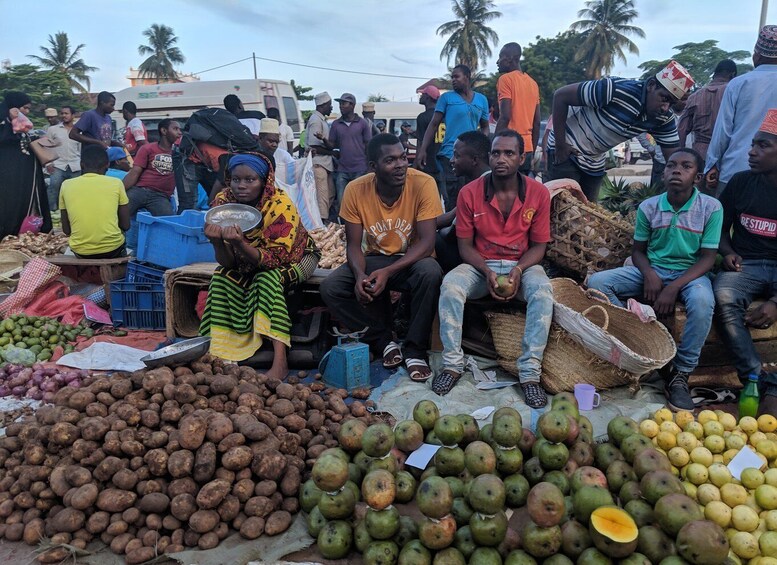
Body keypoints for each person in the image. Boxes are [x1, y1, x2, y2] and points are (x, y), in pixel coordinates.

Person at [588, 148, 722, 411]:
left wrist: (673, 287)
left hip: (690, 274)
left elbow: (707, 258)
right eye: (672, 165)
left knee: (703, 302)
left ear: (697, 177)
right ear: (664, 172)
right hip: (653, 268)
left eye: (686, 166)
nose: (677, 171)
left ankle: (679, 373)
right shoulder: (650, 206)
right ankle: (636, 342)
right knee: (598, 283)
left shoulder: (710, 207)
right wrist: (650, 275)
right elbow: (637, 251)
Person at [434, 130, 553, 404]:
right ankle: (452, 365)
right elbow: (465, 246)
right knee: (451, 286)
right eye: (496, 153)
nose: (502, 159)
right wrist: (487, 272)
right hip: (480, 265)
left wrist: (519, 270)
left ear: (521, 158)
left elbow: (539, 247)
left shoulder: (538, 193)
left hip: (521, 265)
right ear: (489, 156)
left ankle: (530, 374)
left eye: (509, 153)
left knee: (543, 293)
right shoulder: (469, 193)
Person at [320, 133, 443, 382]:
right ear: (374, 167)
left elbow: (428, 241)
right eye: (390, 160)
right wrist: (359, 275)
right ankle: (383, 340)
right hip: (375, 258)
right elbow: (354, 245)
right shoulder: (356, 190)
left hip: (413, 259)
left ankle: (414, 349)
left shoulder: (423, 183)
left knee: (430, 272)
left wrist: (388, 272)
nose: (400, 165)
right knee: (331, 287)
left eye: (402, 157)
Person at [200, 153, 319, 379]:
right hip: (248, 260)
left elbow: (274, 259)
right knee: (221, 276)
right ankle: (221, 350)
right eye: (236, 179)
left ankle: (280, 358)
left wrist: (240, 243)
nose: (241, 186)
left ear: (265, 181)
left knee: (267, 279)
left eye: (250, 180)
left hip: (296, 257)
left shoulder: (280, 206)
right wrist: (217, 241)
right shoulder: (223, 204)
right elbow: (229, 262)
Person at [547, 60, 694, 201]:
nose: (665, 108)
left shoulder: (663, 119)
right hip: (569, 147)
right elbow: (561, 96)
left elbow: (674, 156)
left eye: (671, 103)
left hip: (594, 159)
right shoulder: (614, 89)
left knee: (588, 214)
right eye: (664, 98)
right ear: (651, 85)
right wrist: (560, 145)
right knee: (564, 209)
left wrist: (685, 181)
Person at [713, 109, 777, 417]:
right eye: (753, 144)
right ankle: (755, 376)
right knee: (724, 295)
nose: (752, 151)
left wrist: (776, 302)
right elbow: (720, 229)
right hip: (746, 265)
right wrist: (726, 252)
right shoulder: (740, 182)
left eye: (763, 145)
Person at [705, 26, 777, 195]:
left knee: (727, 220)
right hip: (774, 175)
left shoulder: (738, 83)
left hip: (735, 170)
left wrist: (712, 164)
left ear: (756, 55)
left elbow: (723, 130)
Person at [416, 64, 489, 211]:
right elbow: (433, 124)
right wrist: (422, 149)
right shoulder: (447, 98)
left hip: (473, 158)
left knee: (473, 195)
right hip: (451, 155)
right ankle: (451, 231)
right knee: (453, 197)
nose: (453, 80)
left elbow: (485, 126)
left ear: (467, 77)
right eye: (452, 77)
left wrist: (482, 144)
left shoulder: (481, 100)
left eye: (457, 77)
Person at [59, 145, 130, 259]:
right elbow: (126, 225)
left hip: (81, 251)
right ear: (107, 165)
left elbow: (66, 230)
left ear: (81, 165)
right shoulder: (116, 183)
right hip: (112, 250)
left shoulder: (66, 185)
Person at [436, 131, 491, 273]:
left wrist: (435, 231)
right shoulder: (487, 181)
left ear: (474, 160)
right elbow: (452, 215)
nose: (451, 160)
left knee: (431, 240)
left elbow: (451, 234)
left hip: (478, 257)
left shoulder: (474, 189)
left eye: (457, 155)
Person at [0, 91, 52, 240]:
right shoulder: (4, 122)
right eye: (25, 108)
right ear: (14, 107)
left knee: (23, 199)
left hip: (24, 173)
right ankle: (9, 233)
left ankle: (25, 232)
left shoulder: (21, 124)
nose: (27, 112)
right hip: (9, 174)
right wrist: (11, 119)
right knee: (9, 201)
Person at [495, 42, 541, 174]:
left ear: (509, 58)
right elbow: (536, 122)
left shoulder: (505, 80)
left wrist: (494, 145)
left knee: (504, 191)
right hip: (526, 149)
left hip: (508, 148)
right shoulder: (533, 84)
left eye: (500, 57)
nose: (498, 62)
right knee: (522, 190)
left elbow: (505, 117)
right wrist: (531, 151)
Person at [678, 59, 737, 163]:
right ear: (732, 75)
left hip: (700, 155)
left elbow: (681, 131)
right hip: (728, 155)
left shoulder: (694, 97)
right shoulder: (734, 93)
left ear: (714, 74)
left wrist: (680, 158)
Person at [123, 119, 182, 218]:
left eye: (179, 129)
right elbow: (134, 173)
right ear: (164, 131)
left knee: (169, 224)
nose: (179, 132)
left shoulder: (178, 154)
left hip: (161, 196)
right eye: (175, 129)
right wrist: (118, 192)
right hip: (140, 191)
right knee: (119, 214)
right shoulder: (147, 149)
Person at [328, 93, 372, 216]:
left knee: (359, 202)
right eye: (340, 104)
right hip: (342, 169)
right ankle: (344, 230)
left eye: (343, 103)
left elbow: (369, 144)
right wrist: (324, 141)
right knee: (342, 203)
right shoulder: (336, 124)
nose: (341, 106)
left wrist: (369, 166)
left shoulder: (362, 124)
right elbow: (332, 145)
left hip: (360, 169)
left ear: (352, 105)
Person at [306, 92, 336, 223]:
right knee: (322, 197)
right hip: (319, 164)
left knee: (330, 194)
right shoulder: (315, 120)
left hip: (325, 164)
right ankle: (321, 224)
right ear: (323, 105)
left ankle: (322, 220)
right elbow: (314, 145)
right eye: (329, 105)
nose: (331, 108)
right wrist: (332, 153)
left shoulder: (321, 119)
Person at [46, 106, 81, 211]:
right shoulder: (53, 129)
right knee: (53, 189)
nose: (64, 116)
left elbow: (80, 150)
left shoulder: (78, 131)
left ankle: (73, 213)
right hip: (58, 165)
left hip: (75, 165)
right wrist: (48, 164)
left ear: (73, 115)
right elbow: (47, 147)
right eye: (62, 113)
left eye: (66, 113)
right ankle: (52, 215)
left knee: (74, 192)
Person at [415, 85, 443, 187]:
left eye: (422, 94)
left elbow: (420, 143)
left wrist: (415, 166)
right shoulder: (444, 115)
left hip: (428, 165)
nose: (420, 96)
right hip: (442, 165)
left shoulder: (423, 117)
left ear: (427, 97)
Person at [258, 118, 295, 185]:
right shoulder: (252, 155)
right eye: (271, 141)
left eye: (277, 142)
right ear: (260, 138)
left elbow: (296, 169)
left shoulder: (283, 155)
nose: (274, 145)